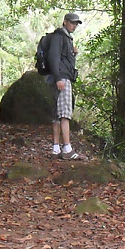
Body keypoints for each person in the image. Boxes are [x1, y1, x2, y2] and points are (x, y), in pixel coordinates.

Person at [48, 12, 81, 159]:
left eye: (76, 23)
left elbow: (62, 59)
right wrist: (58, 78)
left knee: (57, 113)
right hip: (62, 79)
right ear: (65, 22)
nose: (74, 25)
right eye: (72, 23)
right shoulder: (59, 36)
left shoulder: (65, 37)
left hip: (61, 77)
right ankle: (67, 149)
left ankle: (56, 148)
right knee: (65, 113)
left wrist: (73, 54)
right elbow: (53, 58)